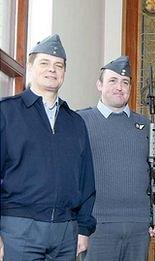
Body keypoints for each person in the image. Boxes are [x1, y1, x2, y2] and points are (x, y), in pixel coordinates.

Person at [0, 34, 96, 260]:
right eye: (44, 63)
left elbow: (86, 179)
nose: (52, 69)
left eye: (58, 65)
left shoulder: (75, 122)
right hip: (18, 228)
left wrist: (83, 228)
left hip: (66, 232)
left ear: (64, 73)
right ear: (30, 67)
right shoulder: (7, 113)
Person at [78, 56, 155, 260]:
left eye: (125, 82)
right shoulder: (81, 121)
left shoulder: (145, 126)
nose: (119, 87)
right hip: (98, 225)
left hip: (138, 227)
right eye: (113, 81)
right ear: (99, 84)